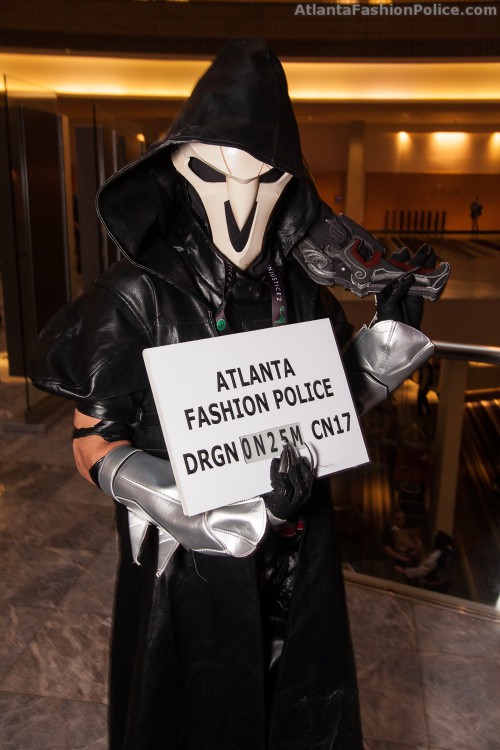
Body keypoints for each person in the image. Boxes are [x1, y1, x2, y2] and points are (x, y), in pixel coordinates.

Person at [31, 38, 437, 750]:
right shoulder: (136, 297)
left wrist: (379, 353)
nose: (241, 204)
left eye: (264, 179)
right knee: (192, 717)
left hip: (297, 560)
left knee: (294, 716)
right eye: (214, 174)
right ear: (178, 168)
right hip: (188, 576)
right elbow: (92, 440)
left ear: (290, 184)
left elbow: (325, 406)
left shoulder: (301, 291)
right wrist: (192, 507)